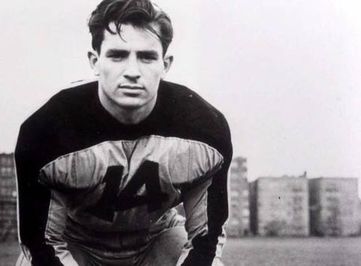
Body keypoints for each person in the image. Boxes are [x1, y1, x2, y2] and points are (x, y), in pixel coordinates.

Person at [14, 0, 232, 265]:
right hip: (77, 242)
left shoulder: (204, 128)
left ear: (165, 64)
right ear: (95, 61)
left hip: (155, 241)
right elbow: (42, 245)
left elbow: (204, 241)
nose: (132, 72)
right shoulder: (48, 131)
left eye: (146, 57)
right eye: (117, 55)